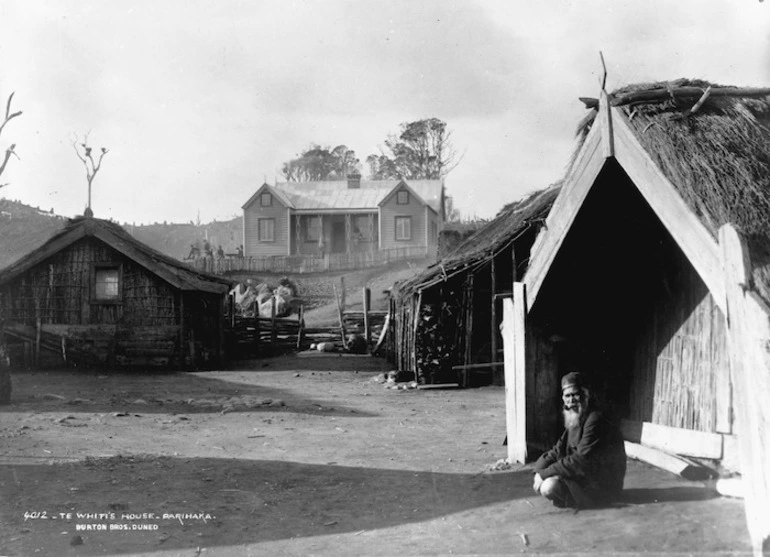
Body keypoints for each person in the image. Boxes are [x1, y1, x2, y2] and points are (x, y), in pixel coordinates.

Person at [532, 371, 626, 509]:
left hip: (605, 486)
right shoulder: (575, 418)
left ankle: (582, 501)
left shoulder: (595, 419)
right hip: (588, 478)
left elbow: (580, 460)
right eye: (567, 396)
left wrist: (544, 474)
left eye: (576, 394)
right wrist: (538, 471)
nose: (571, 400)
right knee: (547, 481)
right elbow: (557, 450)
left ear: (585, 395)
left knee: (549, 486)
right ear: (563, 398)